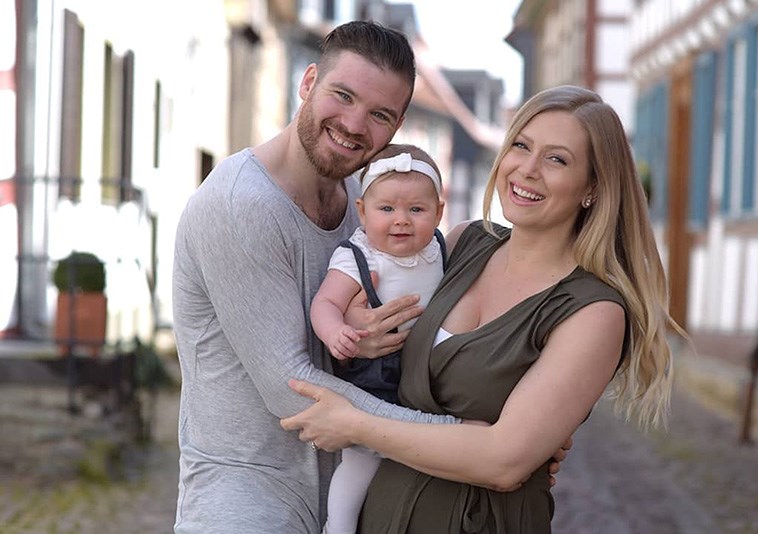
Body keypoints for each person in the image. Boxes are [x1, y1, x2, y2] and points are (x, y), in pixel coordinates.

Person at [171, 21, 568, 534]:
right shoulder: (240, 206)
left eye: (379, 114)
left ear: (396, 128)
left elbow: (440, 324)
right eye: (343, 95)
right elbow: (294, 392)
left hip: (352, 502)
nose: (355, 124)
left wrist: (527, 429)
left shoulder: (372, 205)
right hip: (248, 504)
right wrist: (466, 439)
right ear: (308, 81)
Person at [281, 84, 683, 533]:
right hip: (383, 511)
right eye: (521, 146)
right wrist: (361, 324)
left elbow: (504, 461)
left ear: (592, 186)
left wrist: (356, 426)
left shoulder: (593, 312)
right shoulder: (462, 243)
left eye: (556, 159)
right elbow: (385, 300)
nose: (527, 170)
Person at [311, 143, 446, 534]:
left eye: (416, 210)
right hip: (377, 376)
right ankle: (338, 527)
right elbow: (325, 303)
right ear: (363, 211)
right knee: (360, 462)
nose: (401, 221)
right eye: (386, 209)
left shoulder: (440, 248)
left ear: (438, 211)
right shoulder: (360, 257)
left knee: (415, 462)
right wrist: (337, 331)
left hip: (425, 374)